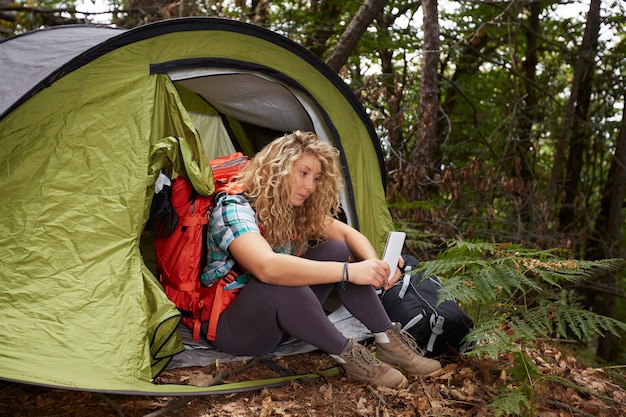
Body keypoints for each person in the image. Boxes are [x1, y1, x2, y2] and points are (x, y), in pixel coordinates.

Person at [201, 130, 442, 388]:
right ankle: (350, 357)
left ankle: (387, 341)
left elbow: (348, 235)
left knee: (336, 250)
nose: (310, 186)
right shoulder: (233, 207)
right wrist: (348, 273)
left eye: (316, 178)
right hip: (236, 331)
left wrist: (376, 266)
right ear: (277, 169)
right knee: (285, 282)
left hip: (280, 325)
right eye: (303, 173)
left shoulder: (288, 207)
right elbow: (267, 268)